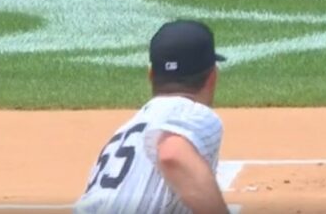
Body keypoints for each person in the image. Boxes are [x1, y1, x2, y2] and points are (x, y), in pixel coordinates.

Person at [75, 20, 229, 214]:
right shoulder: (192, 112)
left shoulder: (128, 129)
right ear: (213, 77)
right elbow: (172, 153)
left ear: (151, 74)